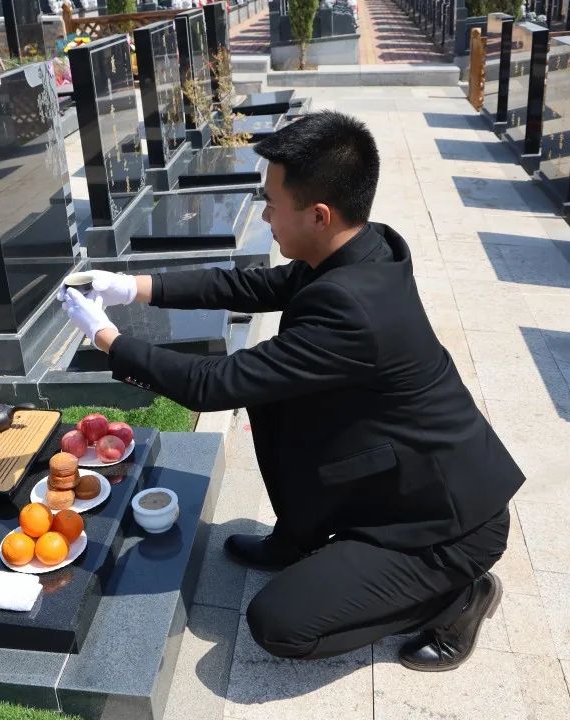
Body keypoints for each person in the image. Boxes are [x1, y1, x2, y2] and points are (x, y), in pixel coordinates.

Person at [58, 110, 524, 671]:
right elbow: (249, 284)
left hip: (446, 525)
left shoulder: (354, 308)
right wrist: (130, 287)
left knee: (278, 625)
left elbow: (212, 384)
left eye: (272, 202)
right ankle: (299, 538)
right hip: (398, 471)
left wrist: (107, 338)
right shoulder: (355, 247)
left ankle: (457, 596)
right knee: (273, 396)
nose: (265, 213)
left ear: (319, 214)